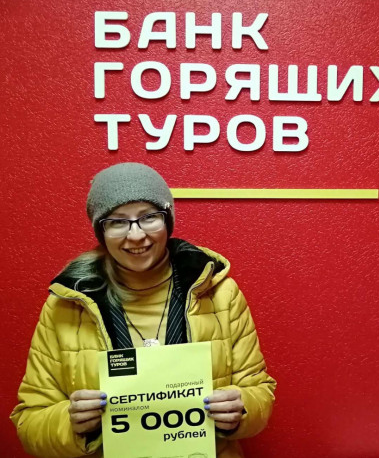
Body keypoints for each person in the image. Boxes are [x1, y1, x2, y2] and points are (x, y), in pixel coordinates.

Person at [11, 162, 276, 458]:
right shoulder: (67, 304)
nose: (136, 236)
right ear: (101, 230)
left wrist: (241, 409)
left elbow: (259, 392)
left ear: (167, 221)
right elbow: (30, 421)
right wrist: (71, 423)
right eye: (117, 222)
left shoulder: (220, 294)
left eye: (149, 217)